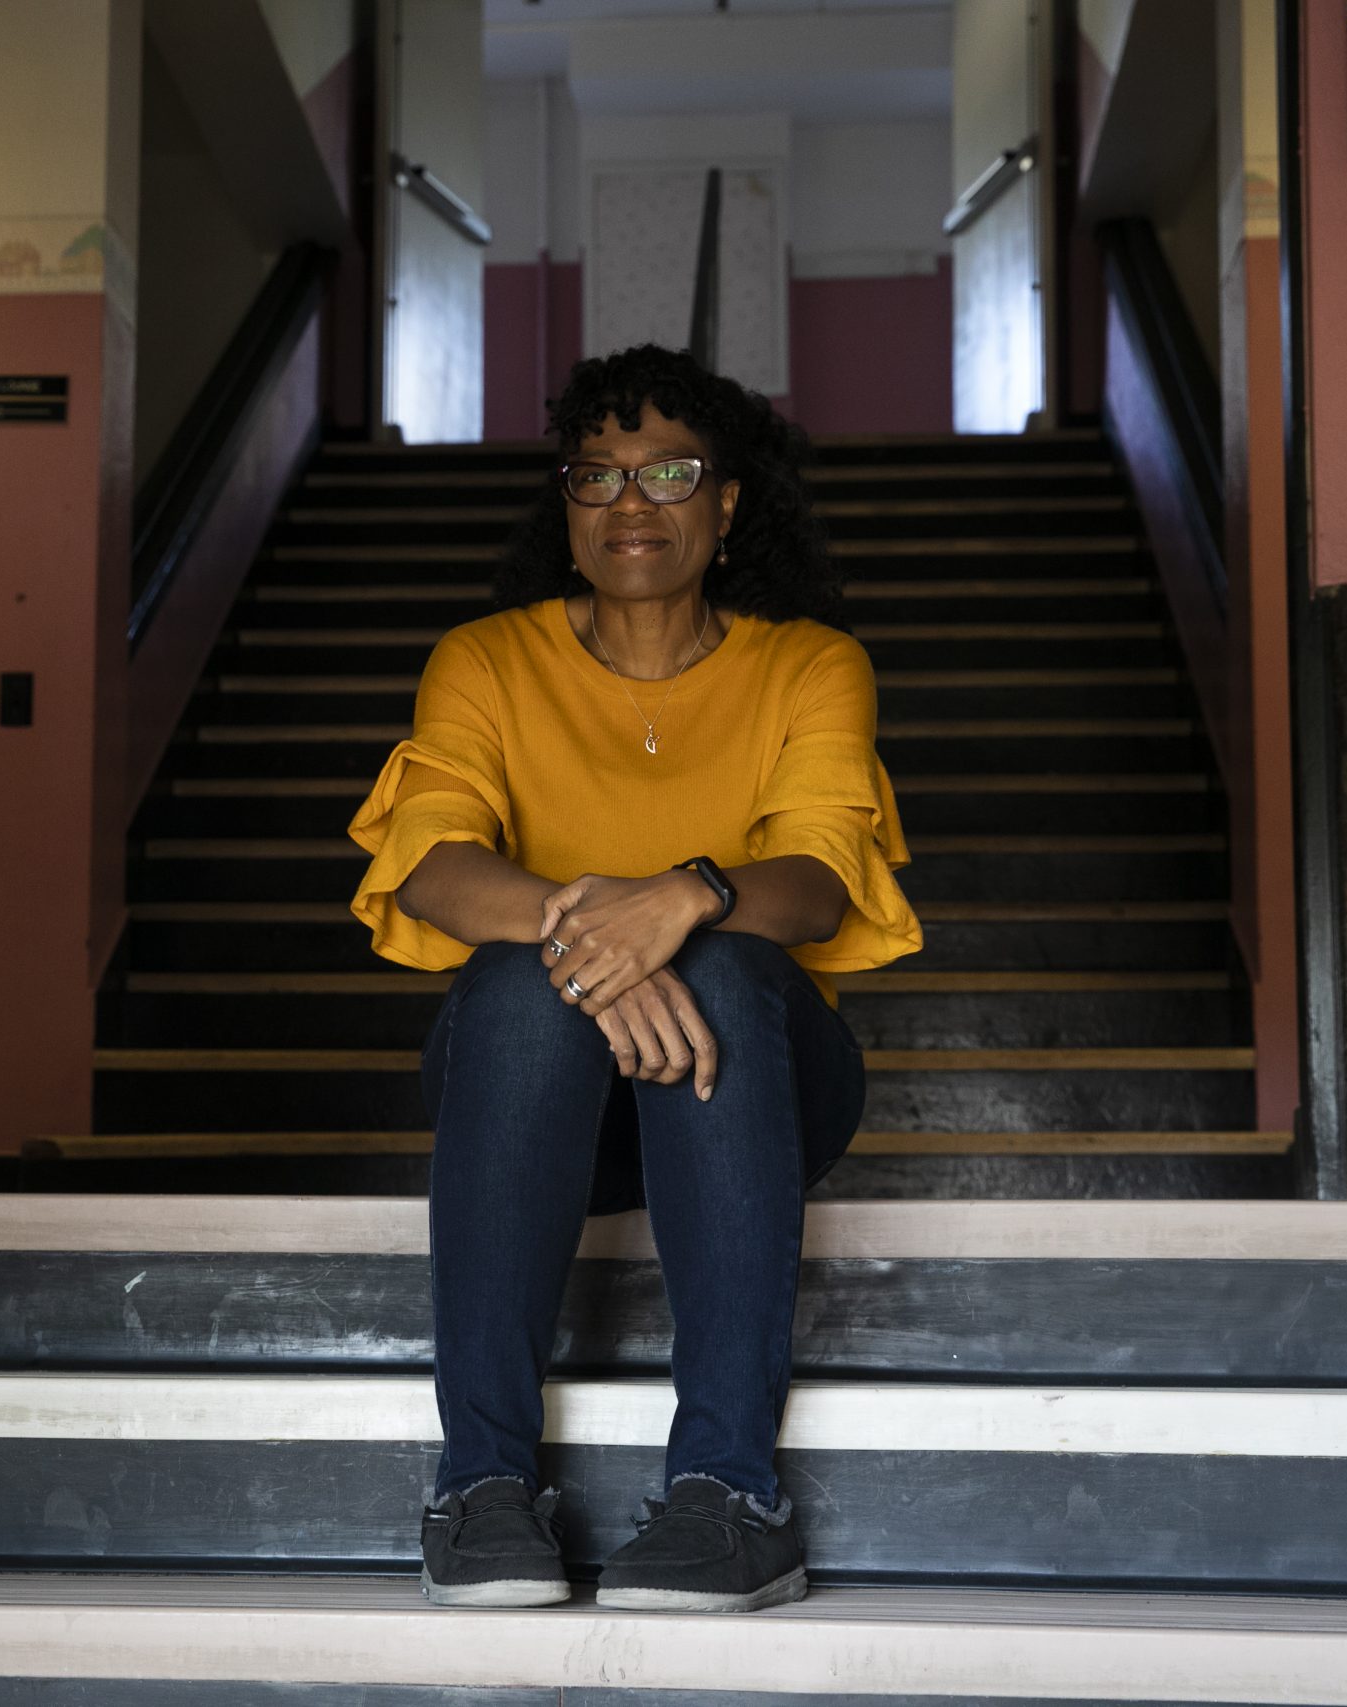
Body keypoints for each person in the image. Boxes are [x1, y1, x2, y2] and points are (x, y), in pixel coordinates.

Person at [345, 343, 923, 1613]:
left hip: (752, 1089)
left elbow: (819, 880)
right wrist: (592, 940)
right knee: (511, 989)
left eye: (669, 472)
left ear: (727, 505)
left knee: (719, 966)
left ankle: (729, 1495)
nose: (629, 504)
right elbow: (433, 861)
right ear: (565, 509)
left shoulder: (809, 664)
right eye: (595, 476)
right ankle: (480, 1485)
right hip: (536, 1098)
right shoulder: (485, 660)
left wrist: (687, 898)